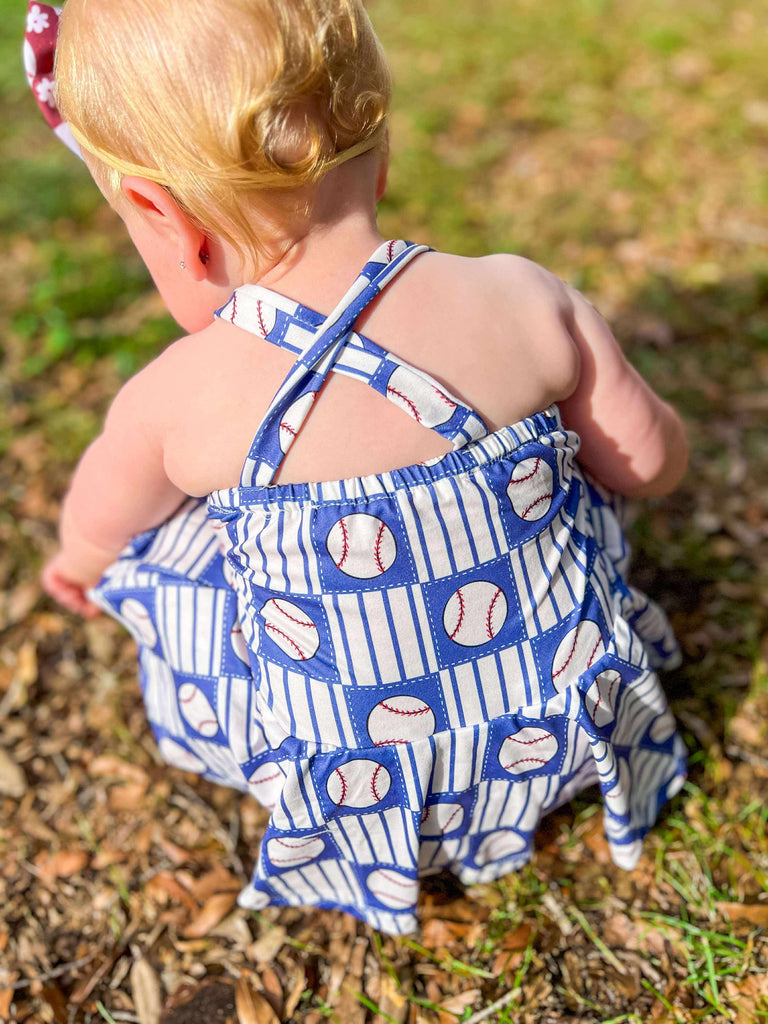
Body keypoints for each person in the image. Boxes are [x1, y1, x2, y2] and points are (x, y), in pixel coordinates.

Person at [30, 0, 688, 934]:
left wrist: (80, 562)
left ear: (161, 217)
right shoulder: (519, 296)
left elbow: (103, 521)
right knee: (575, 464)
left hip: (357, 782)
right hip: (563, 726)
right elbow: (650, 462)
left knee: (166, 540)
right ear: (380, 154)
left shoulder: (176, 397)